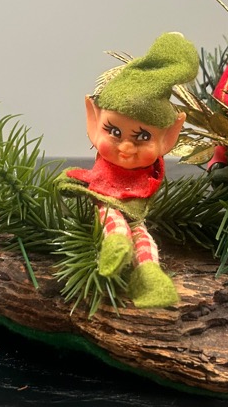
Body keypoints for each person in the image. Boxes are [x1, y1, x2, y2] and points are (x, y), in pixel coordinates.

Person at [57, 32, 199, 308]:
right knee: (112, 217)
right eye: (113, 131)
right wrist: (70, 181)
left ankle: (148, 275)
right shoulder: (105, 171)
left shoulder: (149, 177)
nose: (125, 147)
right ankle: (116, 242)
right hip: (107, 205)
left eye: (143, 137)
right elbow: (86, 179)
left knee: (142, 236)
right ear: (94, 120)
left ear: (167, 139)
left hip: (135, 213)